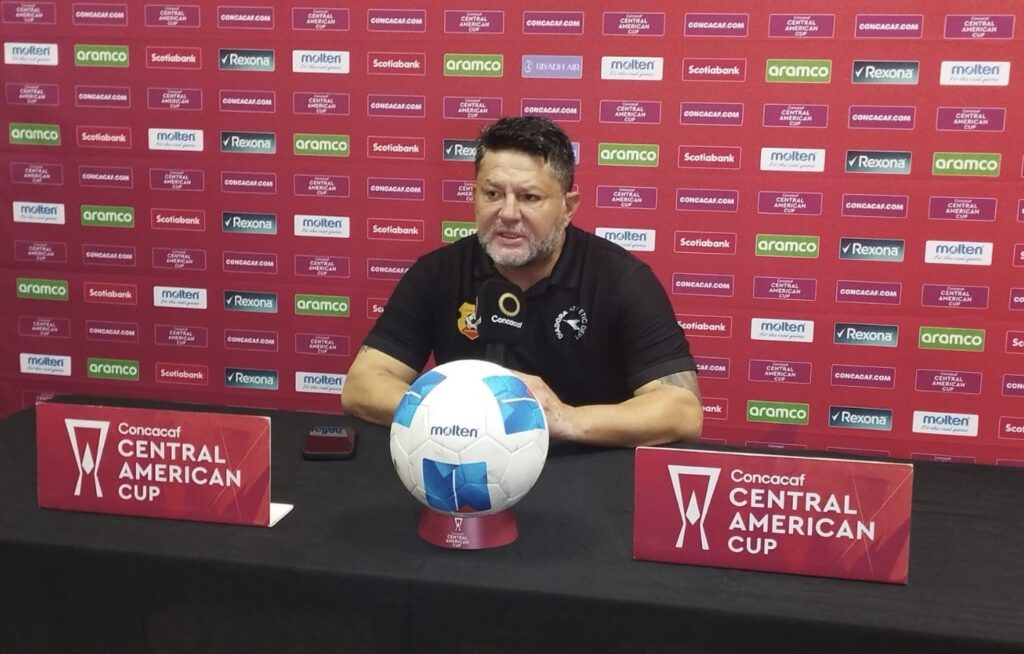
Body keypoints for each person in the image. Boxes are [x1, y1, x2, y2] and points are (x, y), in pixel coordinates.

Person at [341, 116, 702, 447]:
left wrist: (564, 419)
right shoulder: (438, 272)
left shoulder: (621, 280)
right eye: (493, 194)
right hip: (472, 468)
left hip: (585, 471)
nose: (508, 213)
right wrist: (459, 412)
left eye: (529, 197)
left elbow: (682, 409)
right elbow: (362, 385)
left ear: (568, 206)